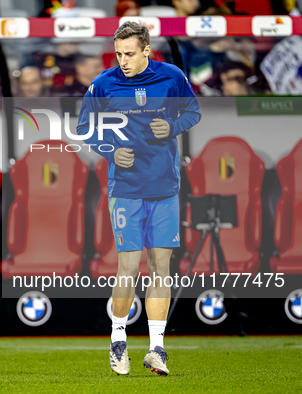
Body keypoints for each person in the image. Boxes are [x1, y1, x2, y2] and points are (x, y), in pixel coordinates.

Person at [76, 21, 201, 376]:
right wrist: (111, 151)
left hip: (165, 188)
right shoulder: (103, 83)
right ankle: (118, 342)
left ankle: (156, 350)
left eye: (129, 54)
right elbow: (84, 128)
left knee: (162, 268)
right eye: (118, 54)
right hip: (126, 190)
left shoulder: (172, 76)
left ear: (147, 51)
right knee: (128, 268)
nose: (123, 61)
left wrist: (174, 127)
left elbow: (193, 111)